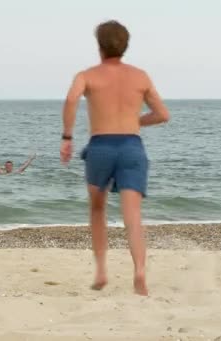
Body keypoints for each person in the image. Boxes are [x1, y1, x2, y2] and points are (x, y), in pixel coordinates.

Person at [60, 20, 169, 296]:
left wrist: (67, 138)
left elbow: (72, 99)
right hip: (132, 147)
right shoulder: (140, 76)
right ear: (125, 46)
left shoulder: (87, 75)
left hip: (101, 147)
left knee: (97, 209)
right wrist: (135, 121)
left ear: (99, 46)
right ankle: (140, 273)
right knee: (133, 215)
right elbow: (162, 114)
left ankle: (101, 271)